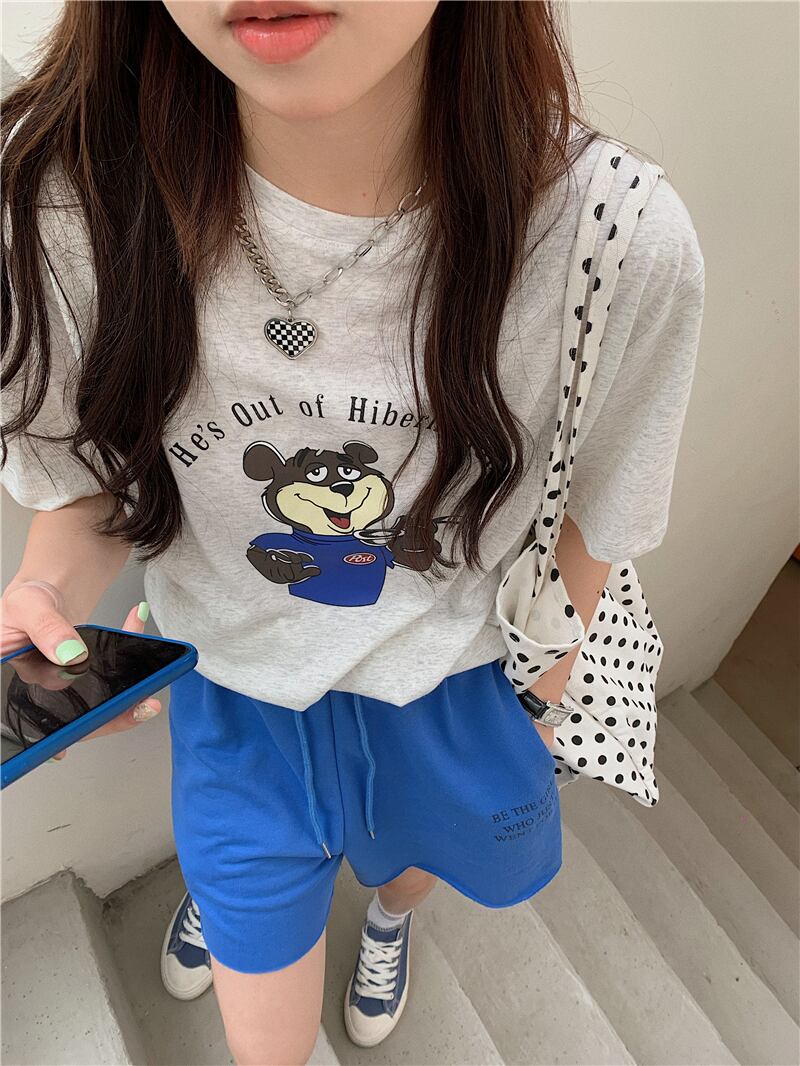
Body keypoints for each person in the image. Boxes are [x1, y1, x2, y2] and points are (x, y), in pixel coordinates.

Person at [0, 2, 705, 1062]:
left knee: (415, 862)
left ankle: (386, 920)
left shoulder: (612, 240)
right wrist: (48, 594)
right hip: (233, 692)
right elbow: (97, 478)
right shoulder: (63, 201)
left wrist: (535, 700)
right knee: (265, 1028)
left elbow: (596, 522)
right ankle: (238, 903)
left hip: (453, 685)